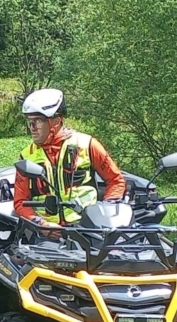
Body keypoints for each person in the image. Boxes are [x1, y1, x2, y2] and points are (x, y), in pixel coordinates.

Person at [12, 88, 126, 225]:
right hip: (44, 233)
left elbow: (116, 181)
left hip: (86, 228)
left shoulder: (87, 144)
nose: (32, 127)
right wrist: (40, 223)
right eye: (29, 121)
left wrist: (106, 213)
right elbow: (19, 202)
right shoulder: (26, 156)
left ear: (56, 121)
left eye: (38, 121)